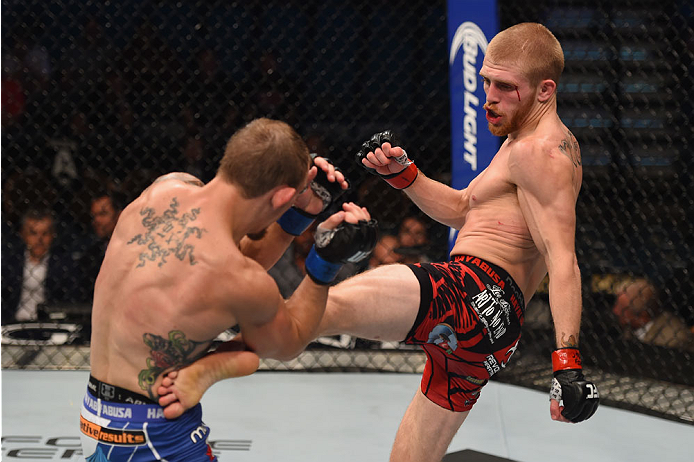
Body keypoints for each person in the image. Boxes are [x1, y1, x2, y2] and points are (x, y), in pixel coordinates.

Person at [155, 23, 600, 461]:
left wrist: (567, 362)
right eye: (486, 82)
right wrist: (406, 177)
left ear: (545, 90)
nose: (489, 98)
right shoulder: (528, 140)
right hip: (488, 331)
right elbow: (465, 209)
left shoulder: (538, 152)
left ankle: (205, 360)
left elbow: (563, 260)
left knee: (319, 310)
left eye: (505, 87)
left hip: (472, 292)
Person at [79, 118, 377, 461]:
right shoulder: (239, 279)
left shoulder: (165, 189)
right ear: (281, 195)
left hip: (96, 414)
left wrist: (300, 211)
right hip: (154, 434)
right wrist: (325, 260)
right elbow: (288, 342)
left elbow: (223, 264)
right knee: (250, 351)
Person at [1, 208, 88, 324]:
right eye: (33, 233)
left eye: (45, 233)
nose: (39, 240)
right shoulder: (10, 262)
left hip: (51, 323)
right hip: (13, 321)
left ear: (53, 235)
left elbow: (73, 299)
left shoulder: (64, 265)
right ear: (23, 235)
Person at [612, 278, 694, 351]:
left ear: (642, 317)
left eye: (622, 308)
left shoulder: (673, 340)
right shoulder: (628, 327)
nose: (615, 310)